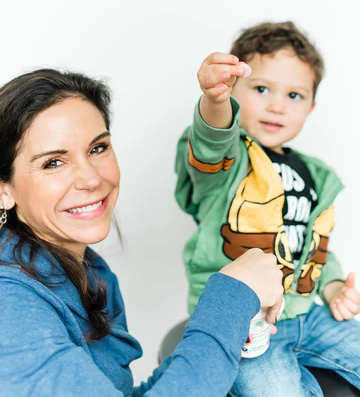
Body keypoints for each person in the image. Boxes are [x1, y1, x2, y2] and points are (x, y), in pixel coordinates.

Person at [0, 69, 284, 397]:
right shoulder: (10, 304)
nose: (91, 179)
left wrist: (231, 324)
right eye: (53, 162)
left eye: (97, 148)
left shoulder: (88, 271)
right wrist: (231, 297)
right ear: (4, 190)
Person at [175, 21, 360, 396]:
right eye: (261, 89)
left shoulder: (315, 174)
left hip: (311, 313)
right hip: (247, 323)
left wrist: (335, 285)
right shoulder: (229, 160)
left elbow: (310, 246)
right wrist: (214, 102)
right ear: (234, 90)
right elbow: (212, 140)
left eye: (294, 95)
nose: (277, 105)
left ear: (311, 105)